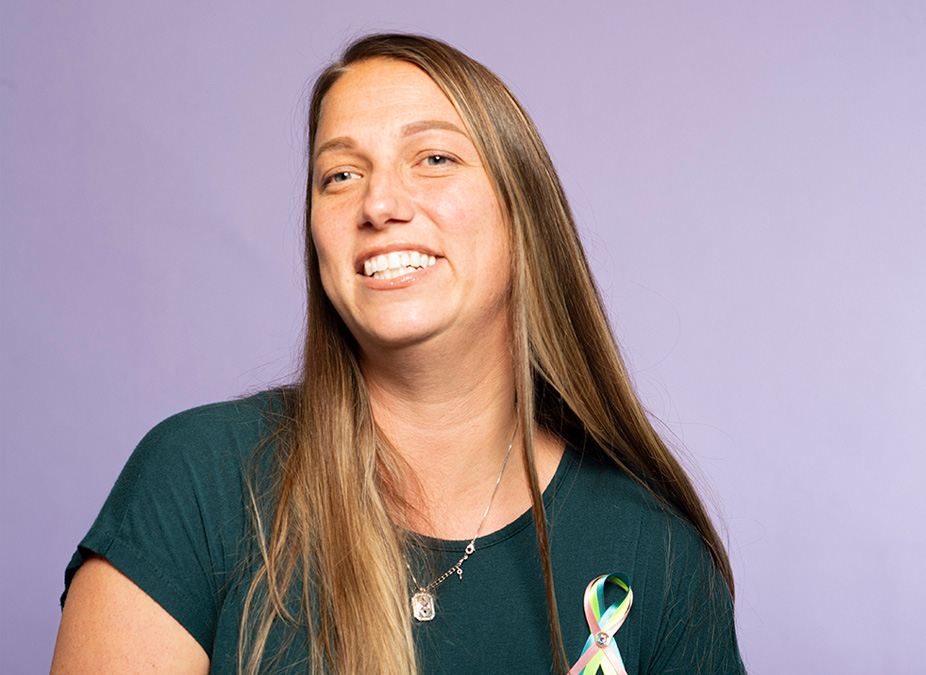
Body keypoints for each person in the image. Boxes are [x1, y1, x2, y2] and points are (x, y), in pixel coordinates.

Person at [50, 34, 744, 674]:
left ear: (524, 213)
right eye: (340, 175)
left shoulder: (654, 552)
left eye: (434, 158)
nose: (378, 204)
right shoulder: (197, 482)